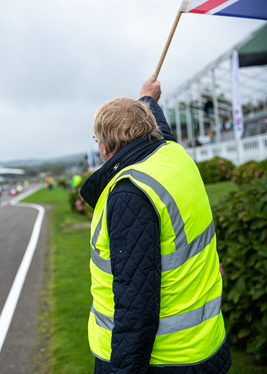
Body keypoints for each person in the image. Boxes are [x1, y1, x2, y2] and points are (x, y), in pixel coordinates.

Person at [79, 74, 230, 373]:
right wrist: (148, 100)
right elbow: (163, 135)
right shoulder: (175, 157)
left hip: (163, 361)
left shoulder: (129, 193)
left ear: (105, 148)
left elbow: (136, 306)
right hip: (206, 348)